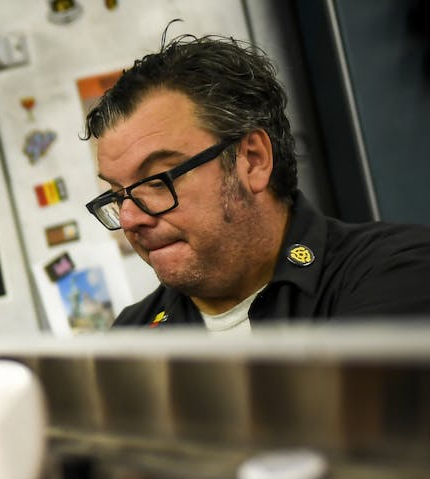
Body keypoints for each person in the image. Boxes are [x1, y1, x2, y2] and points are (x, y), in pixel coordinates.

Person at [83, 35, 430, 331]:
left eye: (157, 181)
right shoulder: (131, 336)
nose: (129, 220)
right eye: (117, 194)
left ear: (252, 160)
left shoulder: (395, 273)